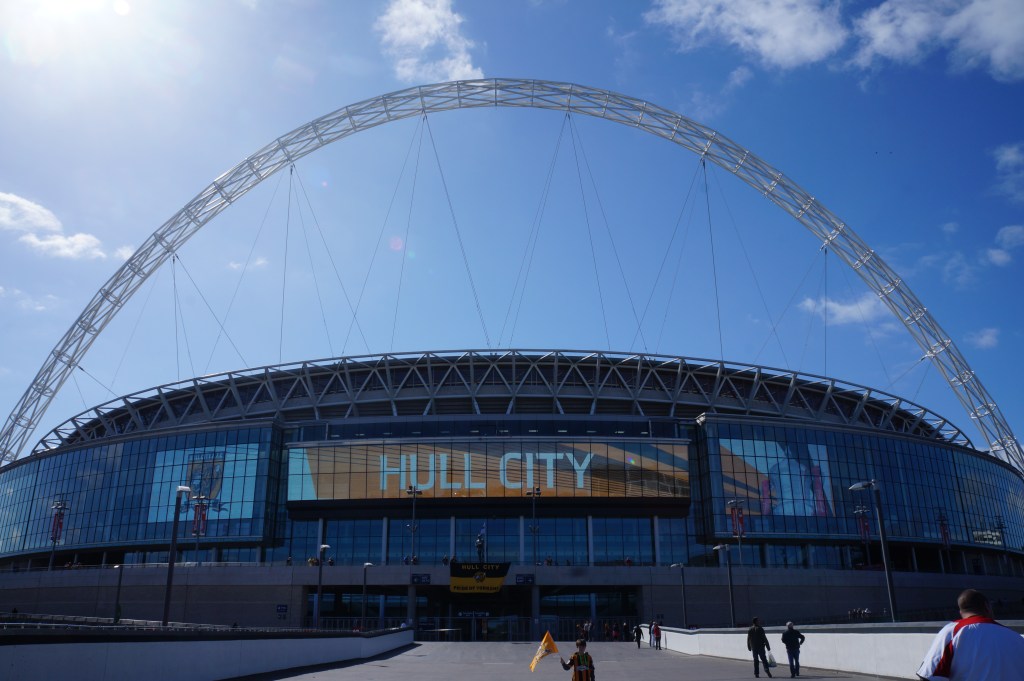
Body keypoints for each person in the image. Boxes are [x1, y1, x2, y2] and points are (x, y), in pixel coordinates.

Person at [917, 588, 1024, 680]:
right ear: (987, 606)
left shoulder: (952, 632)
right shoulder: (1016, 637)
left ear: (961, 612)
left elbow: (928, 676)